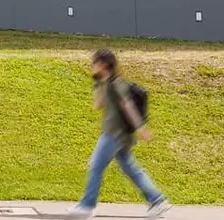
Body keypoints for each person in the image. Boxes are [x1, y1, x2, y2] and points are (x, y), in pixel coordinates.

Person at [69, 49, 169, 218]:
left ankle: (87, 206)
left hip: (114, 134)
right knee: (130, 168)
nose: (92, 66)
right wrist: (97, 81)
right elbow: (98, 105)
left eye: (94, 62)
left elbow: (127, 105)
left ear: (103, 64)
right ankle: (157, 200)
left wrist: (141, 127)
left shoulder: (117, 83)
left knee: (95, 165)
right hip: (118, 136)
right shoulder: (107, 83)